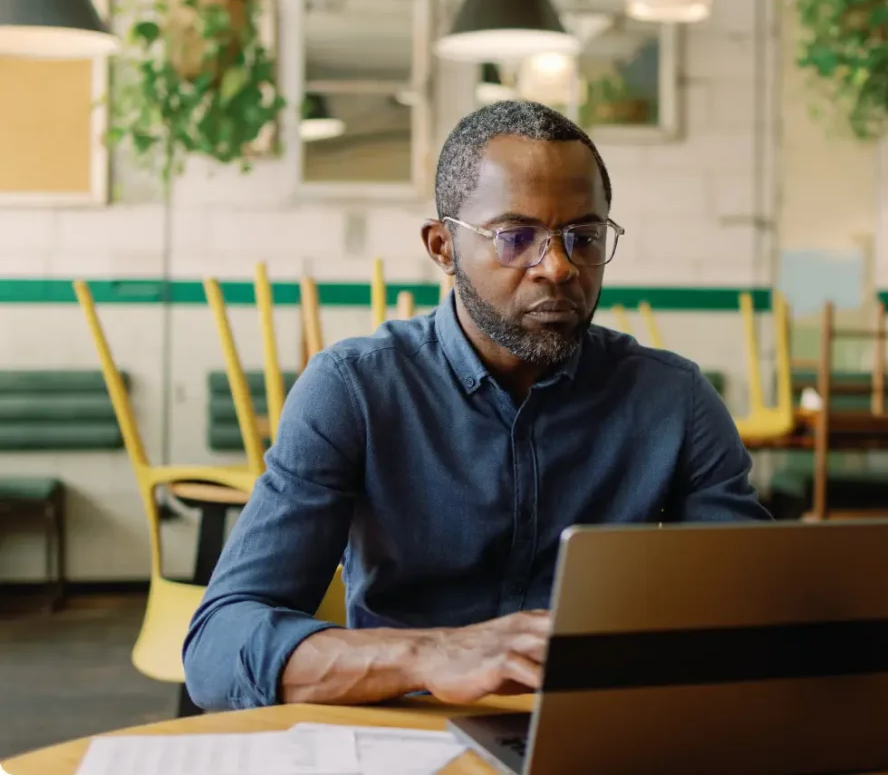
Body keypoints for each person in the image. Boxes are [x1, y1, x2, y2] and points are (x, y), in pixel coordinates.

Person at [183, 100, 771, 712]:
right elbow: (218, 647)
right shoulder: (354, 390)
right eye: (517, 237)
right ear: (443, 247)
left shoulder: (674, 401)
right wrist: (430, 654)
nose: (559, 267)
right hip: (408, 733)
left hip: (599, 732)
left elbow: (756, 612)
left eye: (585, 237)